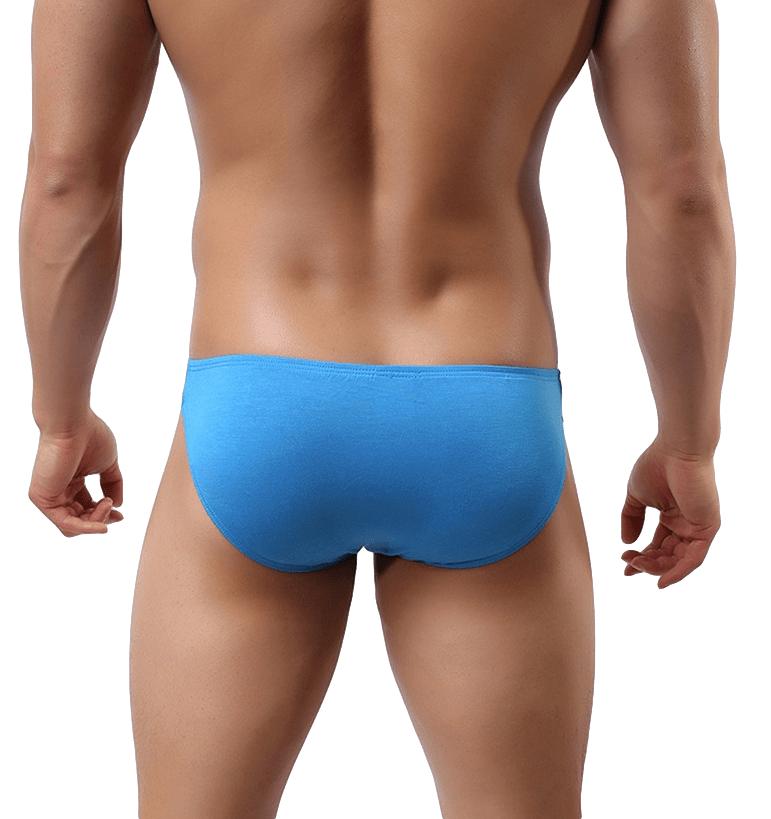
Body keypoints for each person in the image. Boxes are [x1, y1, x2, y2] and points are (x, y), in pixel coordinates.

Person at [20, 0, 734, 816]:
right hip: (483, 407)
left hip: (259, 399)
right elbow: (680, 189)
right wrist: (689, 440)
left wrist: (62, 418)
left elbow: (67, 181)